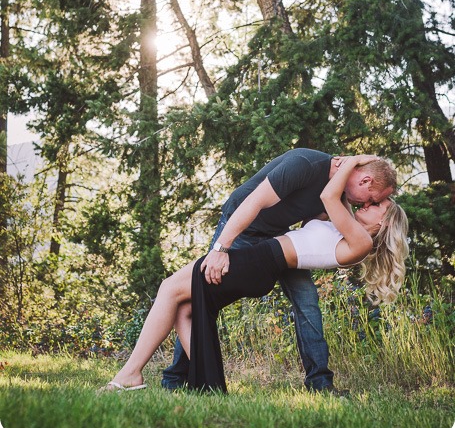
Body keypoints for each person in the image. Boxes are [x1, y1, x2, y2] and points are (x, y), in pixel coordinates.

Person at [102, 155, 408, 393]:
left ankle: (131, 373)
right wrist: (352, 166)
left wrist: (353, 161)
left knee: (171, 288)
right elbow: (323, 204)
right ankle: (206, 385)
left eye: (377, 205)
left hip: (262, 261)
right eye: (374, 198)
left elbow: (330, 196)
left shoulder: (361, 240)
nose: (368, 203)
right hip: (260, 255)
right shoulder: (344, 222)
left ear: (382, 225)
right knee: (186, 307)